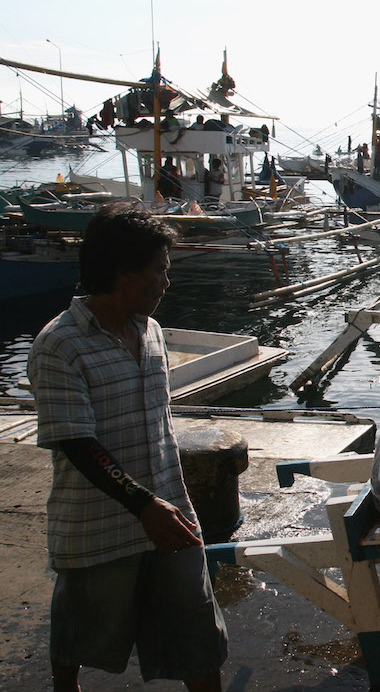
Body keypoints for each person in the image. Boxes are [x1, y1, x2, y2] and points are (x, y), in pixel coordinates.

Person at [27, 204, 227, 691]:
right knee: (78, 638)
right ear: (122, 272)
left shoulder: (152, 331)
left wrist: (160, 506)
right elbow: (76, 441)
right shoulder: (60, 345)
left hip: (172, 514)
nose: (166, 282)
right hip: (98, 526)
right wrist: (142, 505)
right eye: (159, 270)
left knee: (200, 640)